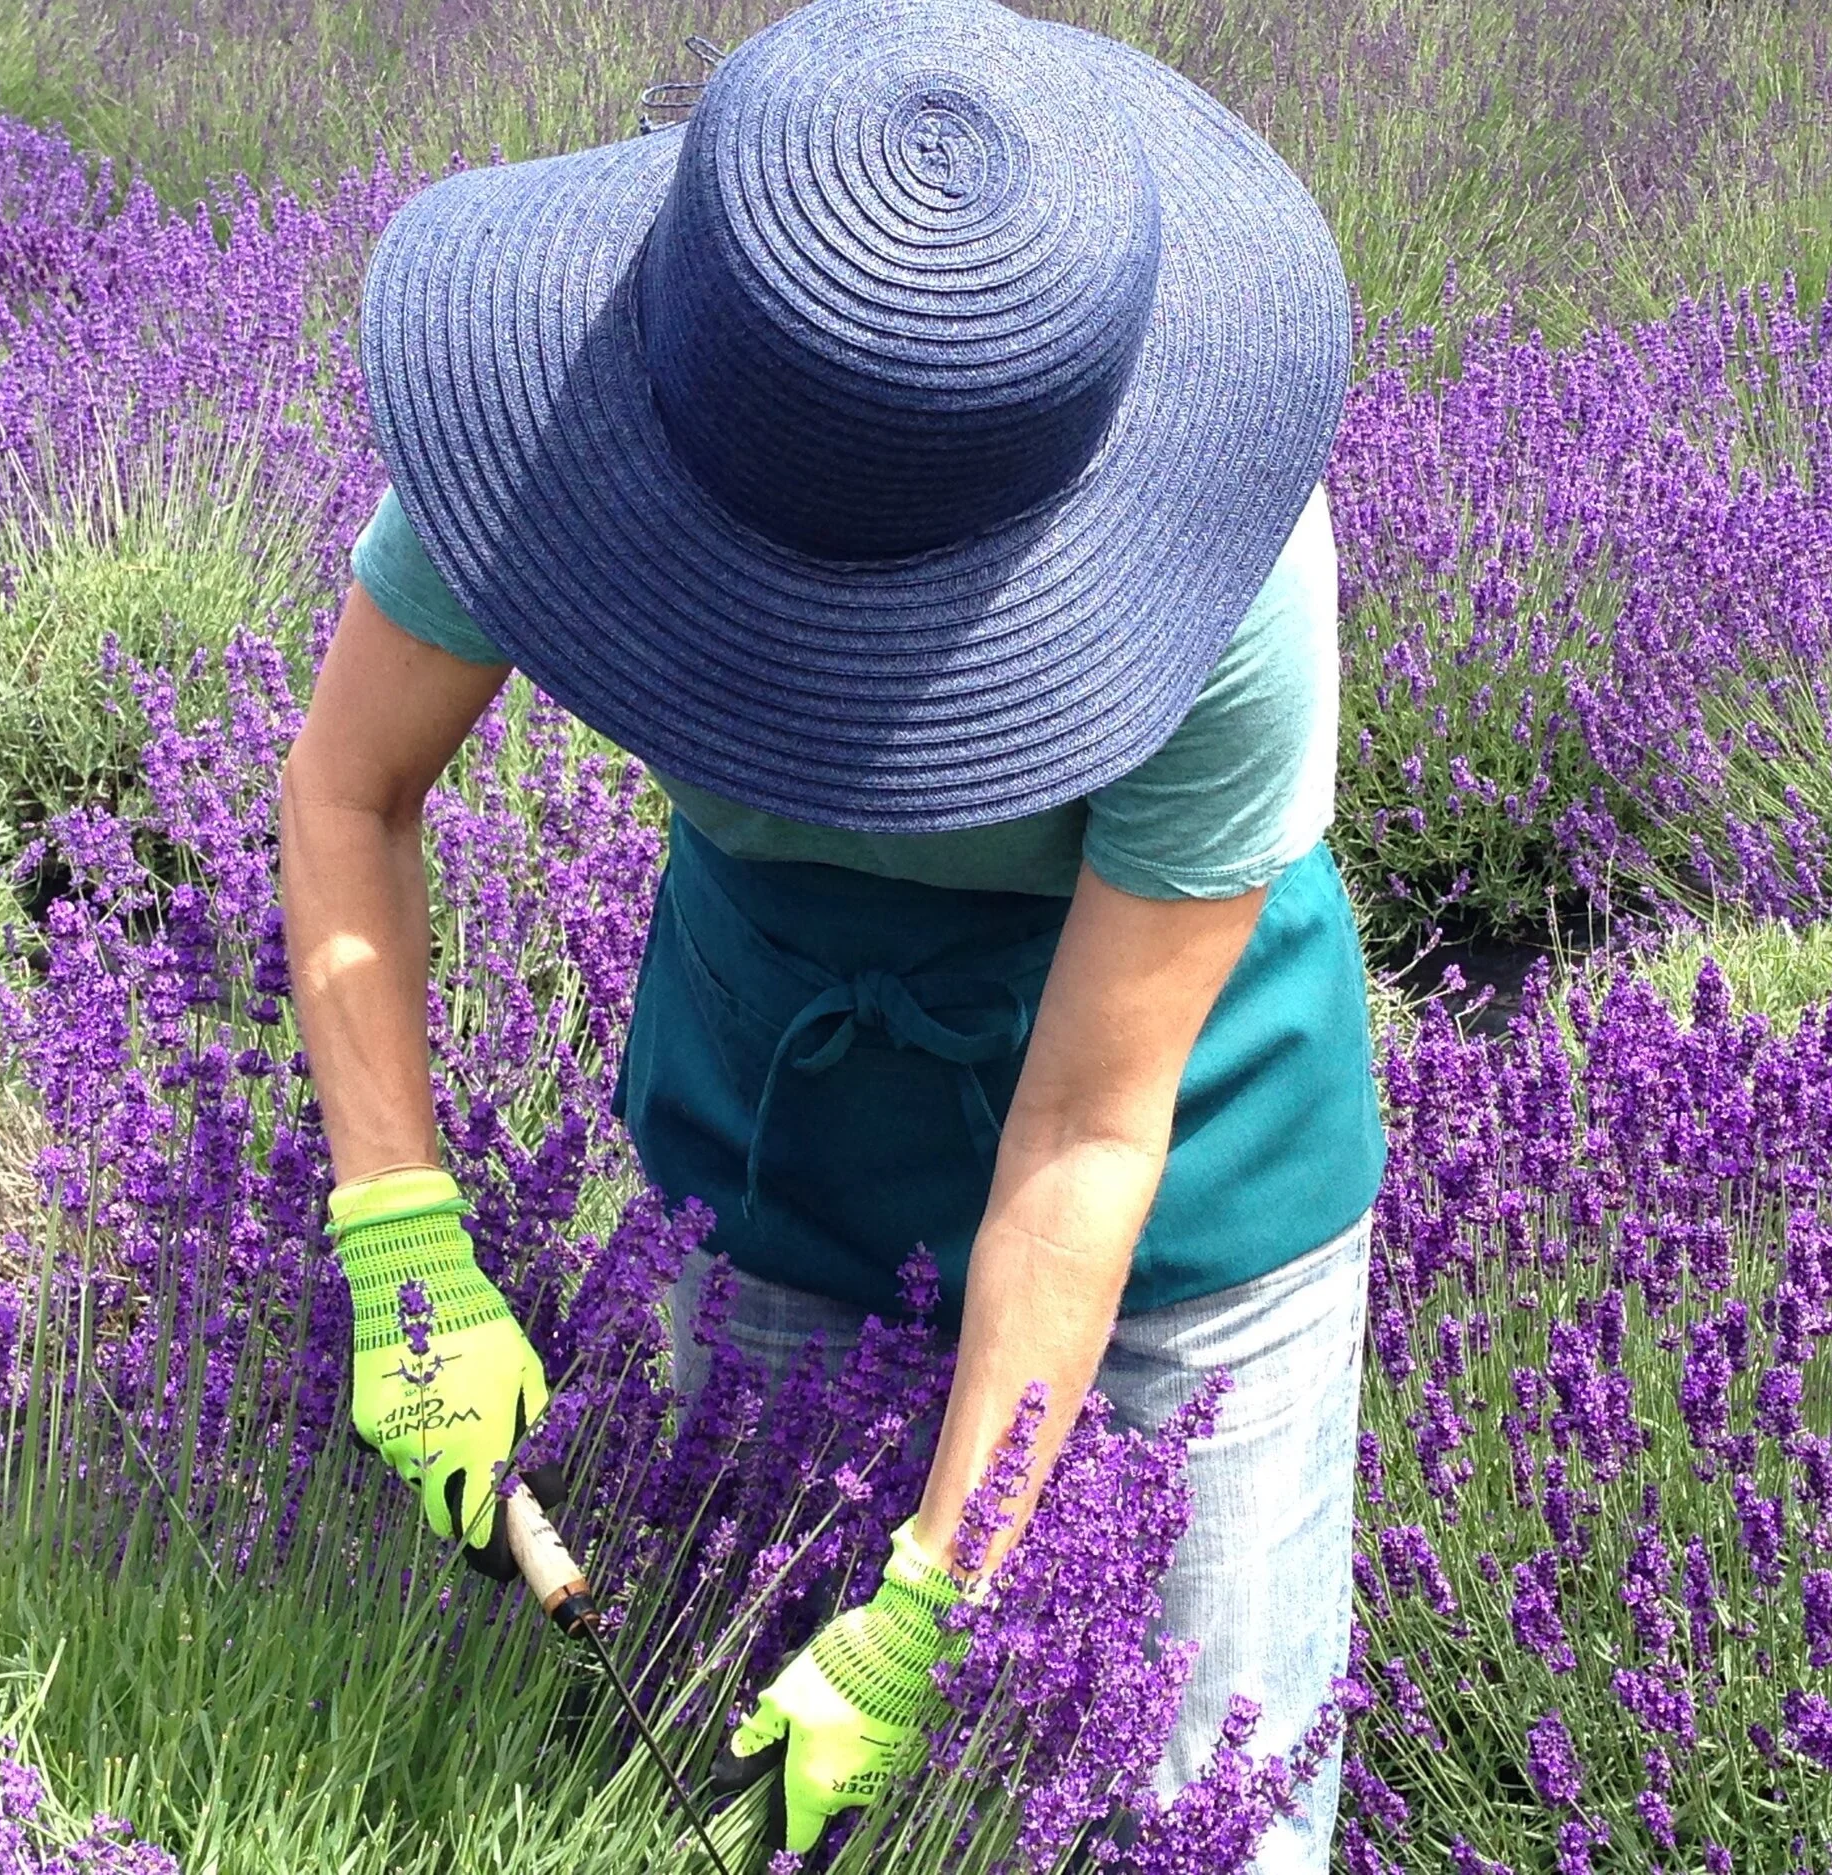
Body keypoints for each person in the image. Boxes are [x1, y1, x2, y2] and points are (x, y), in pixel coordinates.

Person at [275, 0, 1385, 1865]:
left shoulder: (1231, 580)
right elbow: (348, 791)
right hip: (775, 1147)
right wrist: (402, 1244)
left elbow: (1090, 1130)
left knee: (1204, 1808)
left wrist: (938, 1604)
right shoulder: (575, 411)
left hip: (1175, 1178)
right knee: (752, 1791)